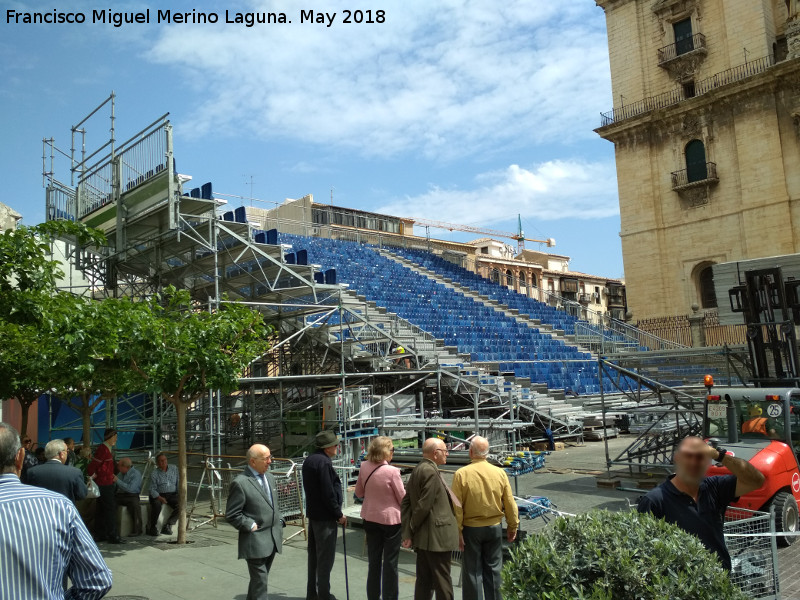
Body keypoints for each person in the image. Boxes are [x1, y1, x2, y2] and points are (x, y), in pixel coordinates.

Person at [0, 422, 112, 599]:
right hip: (54, 535)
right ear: (20, 457)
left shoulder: (34, 472)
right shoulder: (63, 503)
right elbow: (98, 581)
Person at [638, 435, 766, 570]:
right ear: (677, 458)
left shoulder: (714, 487)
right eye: (689, 456)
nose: (694, 463)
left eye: (700, 457)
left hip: (721, 582)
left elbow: (756, 480)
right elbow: (642, 554)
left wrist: (720, 456)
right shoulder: (654, 501)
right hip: (683, 587)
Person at [451, 436, 519, 600]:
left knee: (472, 572)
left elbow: (457, 507)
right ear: (487, 453)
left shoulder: (461, 474)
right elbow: (510, 502)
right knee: (494, 570)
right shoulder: (500, 472)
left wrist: (457, 531)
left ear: (470, 452)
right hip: (494, 526)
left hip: (471, 529)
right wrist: (512, 525)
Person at [401, 438, 459, 600]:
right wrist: (411, 528)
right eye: (445, 450)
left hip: (426, 537)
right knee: (442, 581)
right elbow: (424, 506)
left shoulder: (419, 469)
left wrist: (408, 531)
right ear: (435, 453)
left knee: (424, 581)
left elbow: (406, 502)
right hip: (436, 538)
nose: (447, 453)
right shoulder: (430, 471)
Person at [226, 444, 284, 600]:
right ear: (252, 462)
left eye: (270, 457)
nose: (270, 461)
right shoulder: (240, 483)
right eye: (266, 458)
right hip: (255, 541)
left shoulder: (270, 478)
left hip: (272, 539)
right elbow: (232, 514)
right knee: (260, 582)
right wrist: (249, 524)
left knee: (258, 582)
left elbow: (272, 505)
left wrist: (280, 519)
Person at [355, 436, 405, 600]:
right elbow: (402, 498)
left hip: (370, 518)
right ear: (385, 452)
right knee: (390, 563)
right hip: (391, 521)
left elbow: (359, 493)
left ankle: (373, 597)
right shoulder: (392, 471)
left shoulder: (364, 467)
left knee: (374, 562)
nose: (393, 453)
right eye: (391, 450)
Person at [303, 430, 346, 600]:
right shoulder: (324, 463)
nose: (337, 447)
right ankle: (324, 595)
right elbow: (328, 492)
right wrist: (338, 513)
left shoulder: (310, 460)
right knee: (325, 559)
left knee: (314, 557)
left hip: (314, 515)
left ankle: (312, 594)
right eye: (335, 445)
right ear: (328, 447)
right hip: (325, 517)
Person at [88, 428, 125, 544]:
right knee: (110, 510)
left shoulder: (106, 449)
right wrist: (93, 476)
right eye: (114, 437)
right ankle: (113, 535)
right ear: (109, 437)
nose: (116, 439)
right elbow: (92, 466)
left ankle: (100, 534)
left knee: (101, 510)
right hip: (104, 484)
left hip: (105, 483)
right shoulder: (103, 449)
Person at [24, 439, 88, 504]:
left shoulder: (32, 472)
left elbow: (28, 494)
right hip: (65, 512)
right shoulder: (74, 473)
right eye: (67, 451)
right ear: (61, 454)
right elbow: (81, 495)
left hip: (40, 511)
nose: (68, 454)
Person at [148, 452, 180, 536]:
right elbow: (152, 489)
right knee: (156, 505)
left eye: (165, 460)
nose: (164, 462)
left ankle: (168, 525)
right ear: (158, 463)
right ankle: (152, 527)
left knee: (181, 505)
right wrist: (159, 497)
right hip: (159, 494)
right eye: (161, 461)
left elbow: (178, 482)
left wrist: (180, 494)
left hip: (172, 494)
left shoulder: (174, 468)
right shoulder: (154, 473)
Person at [115, 457, 143, 536]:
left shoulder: (136, 474)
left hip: (132, 495)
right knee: (110, 504)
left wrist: (117, 481)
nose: (118, 467)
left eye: (119, 466)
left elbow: (131, 489)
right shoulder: (120, 473)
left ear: (126, 467)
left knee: (135, 506)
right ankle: (111, 528)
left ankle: (137, 529)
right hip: (120, 495)